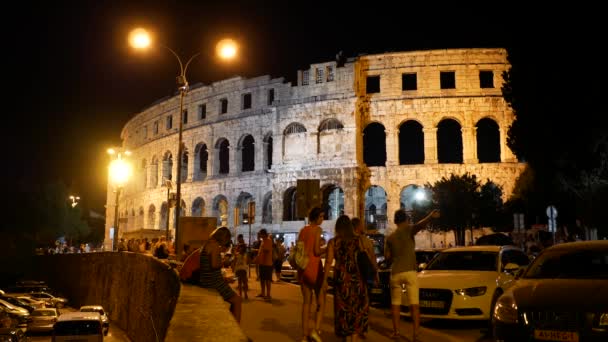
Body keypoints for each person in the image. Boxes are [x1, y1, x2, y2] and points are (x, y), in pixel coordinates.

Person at [385, 208, 439, 340]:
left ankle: (396, 332)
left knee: (395, 304)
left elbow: (387, 258)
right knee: (414, 304)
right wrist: (430, 215)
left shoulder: (390, 237)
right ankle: (415, 334)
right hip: (410, 271)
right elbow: (420, 225)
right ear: (406, 219)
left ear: (395, 221)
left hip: (396, 272)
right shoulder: (409, 230)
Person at [322, 215, 369, 342]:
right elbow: (363, 258)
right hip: (357, 278)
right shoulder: (358, 240)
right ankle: (354, 339)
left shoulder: (333, 242)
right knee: (356, 310)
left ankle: (345, 338)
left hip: (342, 280)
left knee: (343, 310)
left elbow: (328, 262)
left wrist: (325, 280)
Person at [199, 227, 242, 323]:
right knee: (237, 301)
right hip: (213, 283)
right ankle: (236, 332)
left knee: (235, 301)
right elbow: (215, 265)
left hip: (209, 280)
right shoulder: (214, 246)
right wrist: (224, 261)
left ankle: (232, 324)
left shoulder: (208, 244)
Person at [297, 207, 324, 342]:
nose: (323, 219)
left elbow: (300, 248)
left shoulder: (303, 230)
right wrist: (327, 248)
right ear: (316, 217)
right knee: (321, 300)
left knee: (306, 303)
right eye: (321, 217)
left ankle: (304, 335)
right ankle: (316, 330)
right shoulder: (317, 230)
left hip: (303, 269)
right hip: (314, 268)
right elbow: (317, 251)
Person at [255, 228, 274, 301]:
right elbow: (262, 251)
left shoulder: (268, 241)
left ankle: (268, 294)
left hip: (267, 263)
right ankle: (263, 293)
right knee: (262, 279)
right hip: (262, 263)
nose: (259, 235)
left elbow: (266, 252)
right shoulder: (263, 241)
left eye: (260, 233)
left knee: (267, 280)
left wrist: (261, 259)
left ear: (263, 234)